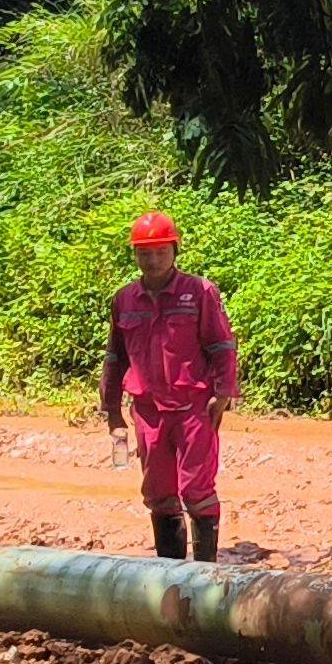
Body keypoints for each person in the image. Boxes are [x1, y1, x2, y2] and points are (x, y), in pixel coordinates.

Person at [103, 210, 238, 561]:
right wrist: (112, 409)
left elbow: (221, 345)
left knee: (197, 488)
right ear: (135, 255)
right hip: (148, 411)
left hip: (194, 405)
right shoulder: (124, 300)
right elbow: (116, 357)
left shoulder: (200, 292)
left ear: (175, 250)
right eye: (144, 253)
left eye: (160, 251)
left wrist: (223, 394)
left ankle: (204, 572)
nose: (152, 259)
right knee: (159, 491)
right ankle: (169, 573)